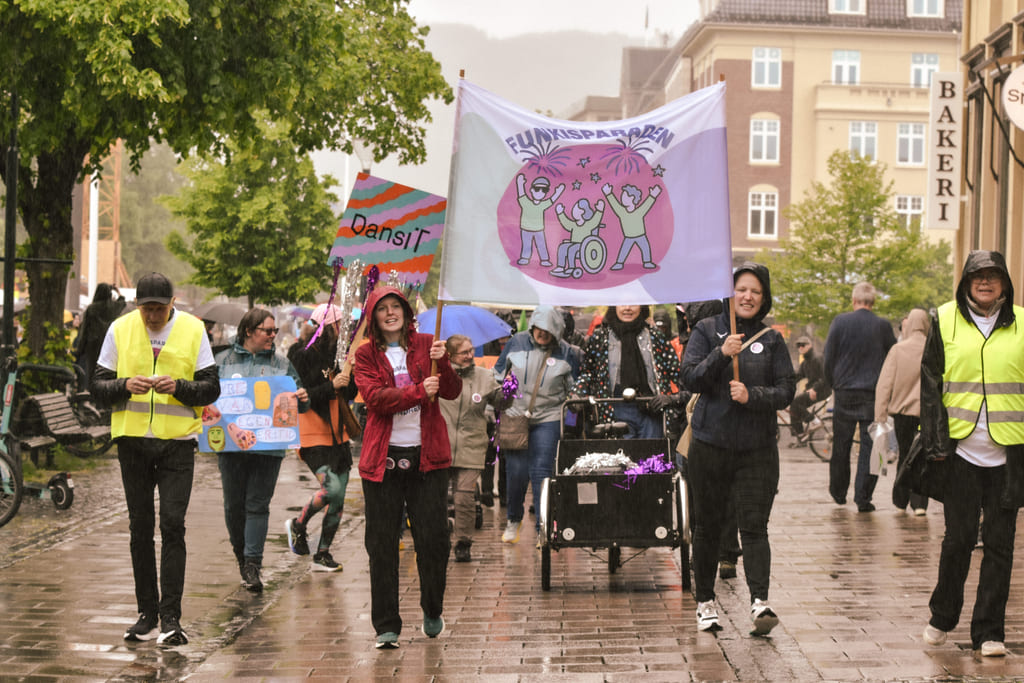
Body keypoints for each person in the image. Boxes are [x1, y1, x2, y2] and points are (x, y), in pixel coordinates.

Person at [90, 273, 220, 646]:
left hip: (177, 444)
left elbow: (211, 387)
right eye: (145, 308)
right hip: (133, 442)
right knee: (140, 527)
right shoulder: (120, 328)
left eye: (158, 309)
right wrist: (122, 385)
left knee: (173, 524)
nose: (151, 316)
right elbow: (97, 386)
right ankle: (146, 613)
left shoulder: (194, 330)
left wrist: (179, 387)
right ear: (137, 304)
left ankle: (171, 618)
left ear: (172, 302)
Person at [919, 251, 1024, 657]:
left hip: (1008, 455)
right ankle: (942, 616)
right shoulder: (944, 318)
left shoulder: (1020, 322)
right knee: (958, 540)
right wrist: (934, 443)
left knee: (1000, 544)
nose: (985, 282)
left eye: (993, 276)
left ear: (1004, 283)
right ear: (965, 280)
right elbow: (930, 383)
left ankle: (989, 632)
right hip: (960, 452)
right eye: (978, 275)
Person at [681, 262, 795, 635]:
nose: (747, 297)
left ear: (764, 298)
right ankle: (705, 602)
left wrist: (753, 395)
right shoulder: (706, 329)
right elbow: (690, 376)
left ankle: (760, 602)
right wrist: (720, 353)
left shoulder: (772, 338)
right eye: (741, 289)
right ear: (730, 294)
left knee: (754, 526)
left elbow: (785, 390)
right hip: (711, 446)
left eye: (755, 292)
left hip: (756, 449)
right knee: (708, 526)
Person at [353, 286, 461, 650]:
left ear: (406, 311)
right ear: (373, 317)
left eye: (395, 306)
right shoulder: (365, 354)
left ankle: (433, 607)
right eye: (381, 308)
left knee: (433, 541)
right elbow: (375, 399)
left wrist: (442, 362)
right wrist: (418, 391)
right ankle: (386, 625)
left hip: (427, 458)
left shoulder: (427, 344)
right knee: (381, 545)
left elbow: (451, 391)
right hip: (382, 463)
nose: (389, 313)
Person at [215, 308, 307, 593]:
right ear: (248, 331)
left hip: (269, 448)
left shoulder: (282, 364)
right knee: (234, 506)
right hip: (231, 448)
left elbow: (299, 402)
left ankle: (253, 564)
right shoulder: (222, 361)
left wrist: (302, 398)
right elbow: (208, 400)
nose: (272, 336)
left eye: (274, 331)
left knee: (257, 504)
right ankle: (241, 556)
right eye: (268, 330)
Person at [493, 306, 580, 547]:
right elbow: (498, 373)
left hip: (549, 416)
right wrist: (500, 397)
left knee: (542, 471)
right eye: (539, 328)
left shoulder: (567, 353)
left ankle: (544, 526)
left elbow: (575, 387)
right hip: (516, 414)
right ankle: (513, 519)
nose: (542, 334)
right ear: (532, 327)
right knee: (517, 472)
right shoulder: (517, 342)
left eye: (548, 330)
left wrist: (571, 415)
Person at [285, 303, 359, 573]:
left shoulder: (342, 354)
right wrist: (331, 385)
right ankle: (298, 525)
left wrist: (352, 374)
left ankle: (323, 553)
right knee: (332, 489)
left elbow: (349, 393)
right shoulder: (302, 356)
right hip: (312, 432)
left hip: (338, 434)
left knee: (338, 501)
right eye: (342, 325)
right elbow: (301, 395)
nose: (346, 331)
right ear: (329, 327)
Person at [823, 282, 896, 512]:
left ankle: (838, 492)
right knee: (872, 448)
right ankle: (863, 498)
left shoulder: (840, 322)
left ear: (854, 301)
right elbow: (891, 359)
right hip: (872, 395)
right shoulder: (883, 326)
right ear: (873, 302)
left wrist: (833, 383)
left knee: (841, 446)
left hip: (844, 392)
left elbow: (828, 358)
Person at [439, 334, 508, 563]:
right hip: (441, 444)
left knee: (464, 496)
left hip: (472, 443)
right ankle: (439, 536)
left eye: (471, 350)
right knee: (438, 497)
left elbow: (501, 403)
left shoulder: (484, 376)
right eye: (464, 352)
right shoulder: (438, 374)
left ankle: (463, 542)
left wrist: (507, 393)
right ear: (450, 355)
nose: (470, 355)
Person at [574, 305, 680, 439]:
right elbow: (587, 372)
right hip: (614, 406)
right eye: (622, 303)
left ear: (641, 306)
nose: (628, 308)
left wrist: (673, 398)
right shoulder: (600, 337)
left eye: (633, 303)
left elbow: (676, 371)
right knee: (621, 456)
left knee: (653, 455)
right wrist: (577, 393)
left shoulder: (655, 336)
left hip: (651, 407)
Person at [874, 308, 931, 515]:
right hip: (926, 414)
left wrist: (880, 415)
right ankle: (920, 504)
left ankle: (900, 499)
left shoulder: (898, 350)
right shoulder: (933, 349)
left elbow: (884, 384)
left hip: (903, 415)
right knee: (923, 457)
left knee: (906, 453)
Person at [75, 283, 126, 386]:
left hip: (93, 345)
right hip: (110, 343)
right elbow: (122, 302)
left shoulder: (91, 309)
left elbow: (85, 330)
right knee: (107, 370)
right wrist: (117, 291)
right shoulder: (113, 308)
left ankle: (93, 394)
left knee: (92, 372)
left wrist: (79, 349)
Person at [788, 336, 829, 443]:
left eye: (803, 345)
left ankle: (815, 421)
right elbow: (797, 376)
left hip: (822, 390)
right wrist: (783, 384)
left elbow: (825, 377)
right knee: (793, 407)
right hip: (812, 389)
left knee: (795, 403)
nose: (800, 348)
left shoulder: (818, 358)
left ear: (810, 345)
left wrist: (814, 389)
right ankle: (800, 436)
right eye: (798, 346)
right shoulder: (805, 362)